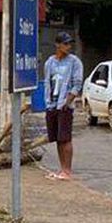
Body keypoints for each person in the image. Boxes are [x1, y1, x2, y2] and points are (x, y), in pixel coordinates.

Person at [43, 31, 83, 180]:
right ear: (57, 45)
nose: (68, 46)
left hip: (65, 103)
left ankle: (67, 170)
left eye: (69, 44)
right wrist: (47, 102)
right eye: (65, 43)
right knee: (57, 138)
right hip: (52, 103)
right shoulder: (50, 62)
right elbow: (47, 81)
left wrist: (68, 101)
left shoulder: (74, 62)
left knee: (65, 138)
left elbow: (77, 83)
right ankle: (62, 169)